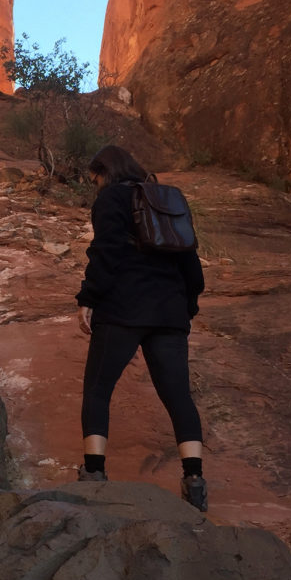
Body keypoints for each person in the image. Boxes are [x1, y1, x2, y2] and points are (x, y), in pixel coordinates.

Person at [75, 144, 208, 511]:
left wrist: (88, 297)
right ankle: (194, 480)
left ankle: (94, 474)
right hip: (169, 312)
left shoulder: (111, 200)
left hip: (122, 310)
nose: (95, 186)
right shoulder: (167, 199)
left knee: (99, 389)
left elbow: (107, 252)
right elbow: (190, 261)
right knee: (178, 396)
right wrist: (187, 307)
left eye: (95, 178)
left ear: (105, 171)